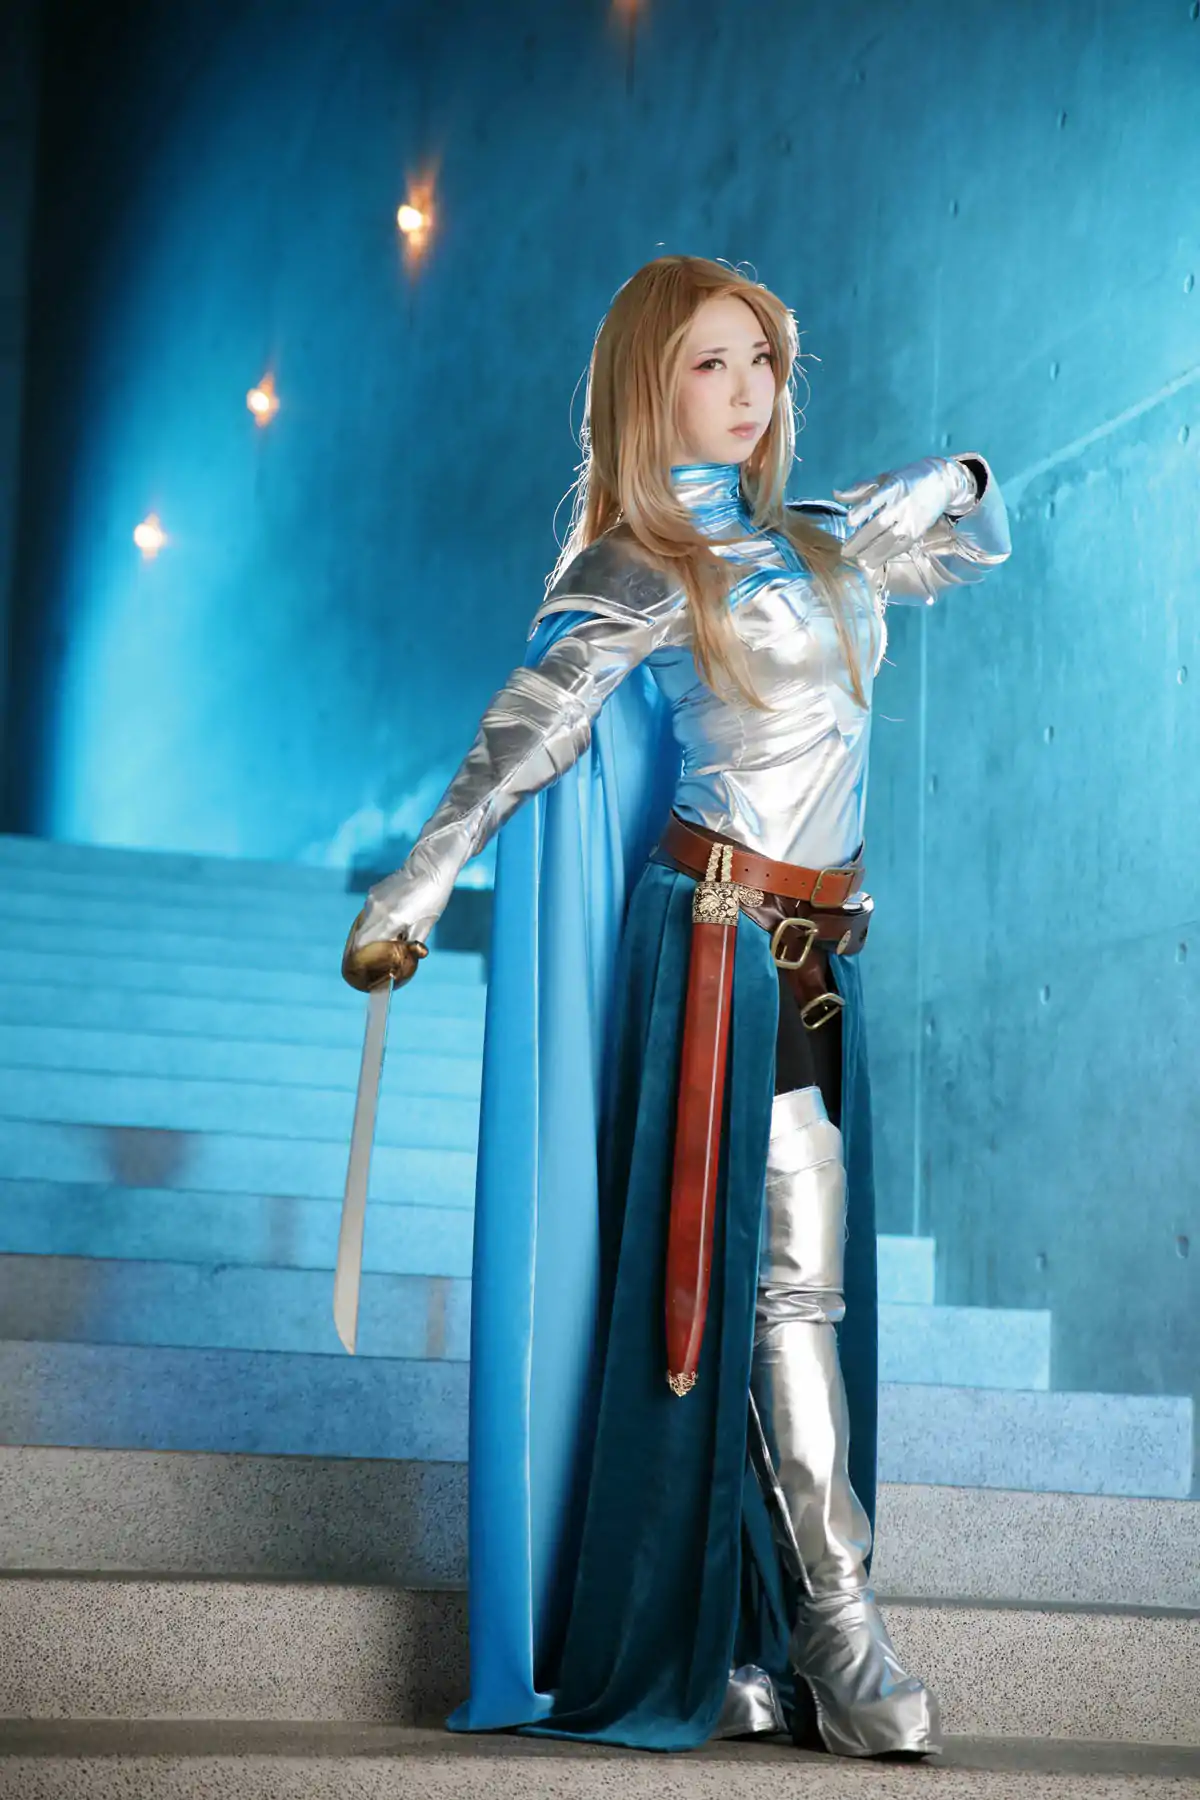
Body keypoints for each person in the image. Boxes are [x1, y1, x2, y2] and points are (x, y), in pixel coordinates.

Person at [342, 254, 1012, 1759]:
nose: (747, 388)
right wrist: (416, 884)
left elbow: (958, 531)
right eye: (710, 362)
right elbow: (526, 733)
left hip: (818, 951)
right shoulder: (640, 565)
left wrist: (957, 475)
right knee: (771, 1290)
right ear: (649, 387)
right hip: (715, 935)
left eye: (762, 359)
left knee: (794, 1283)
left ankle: (736, 1637)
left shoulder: (818, 538)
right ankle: (838, 1620)